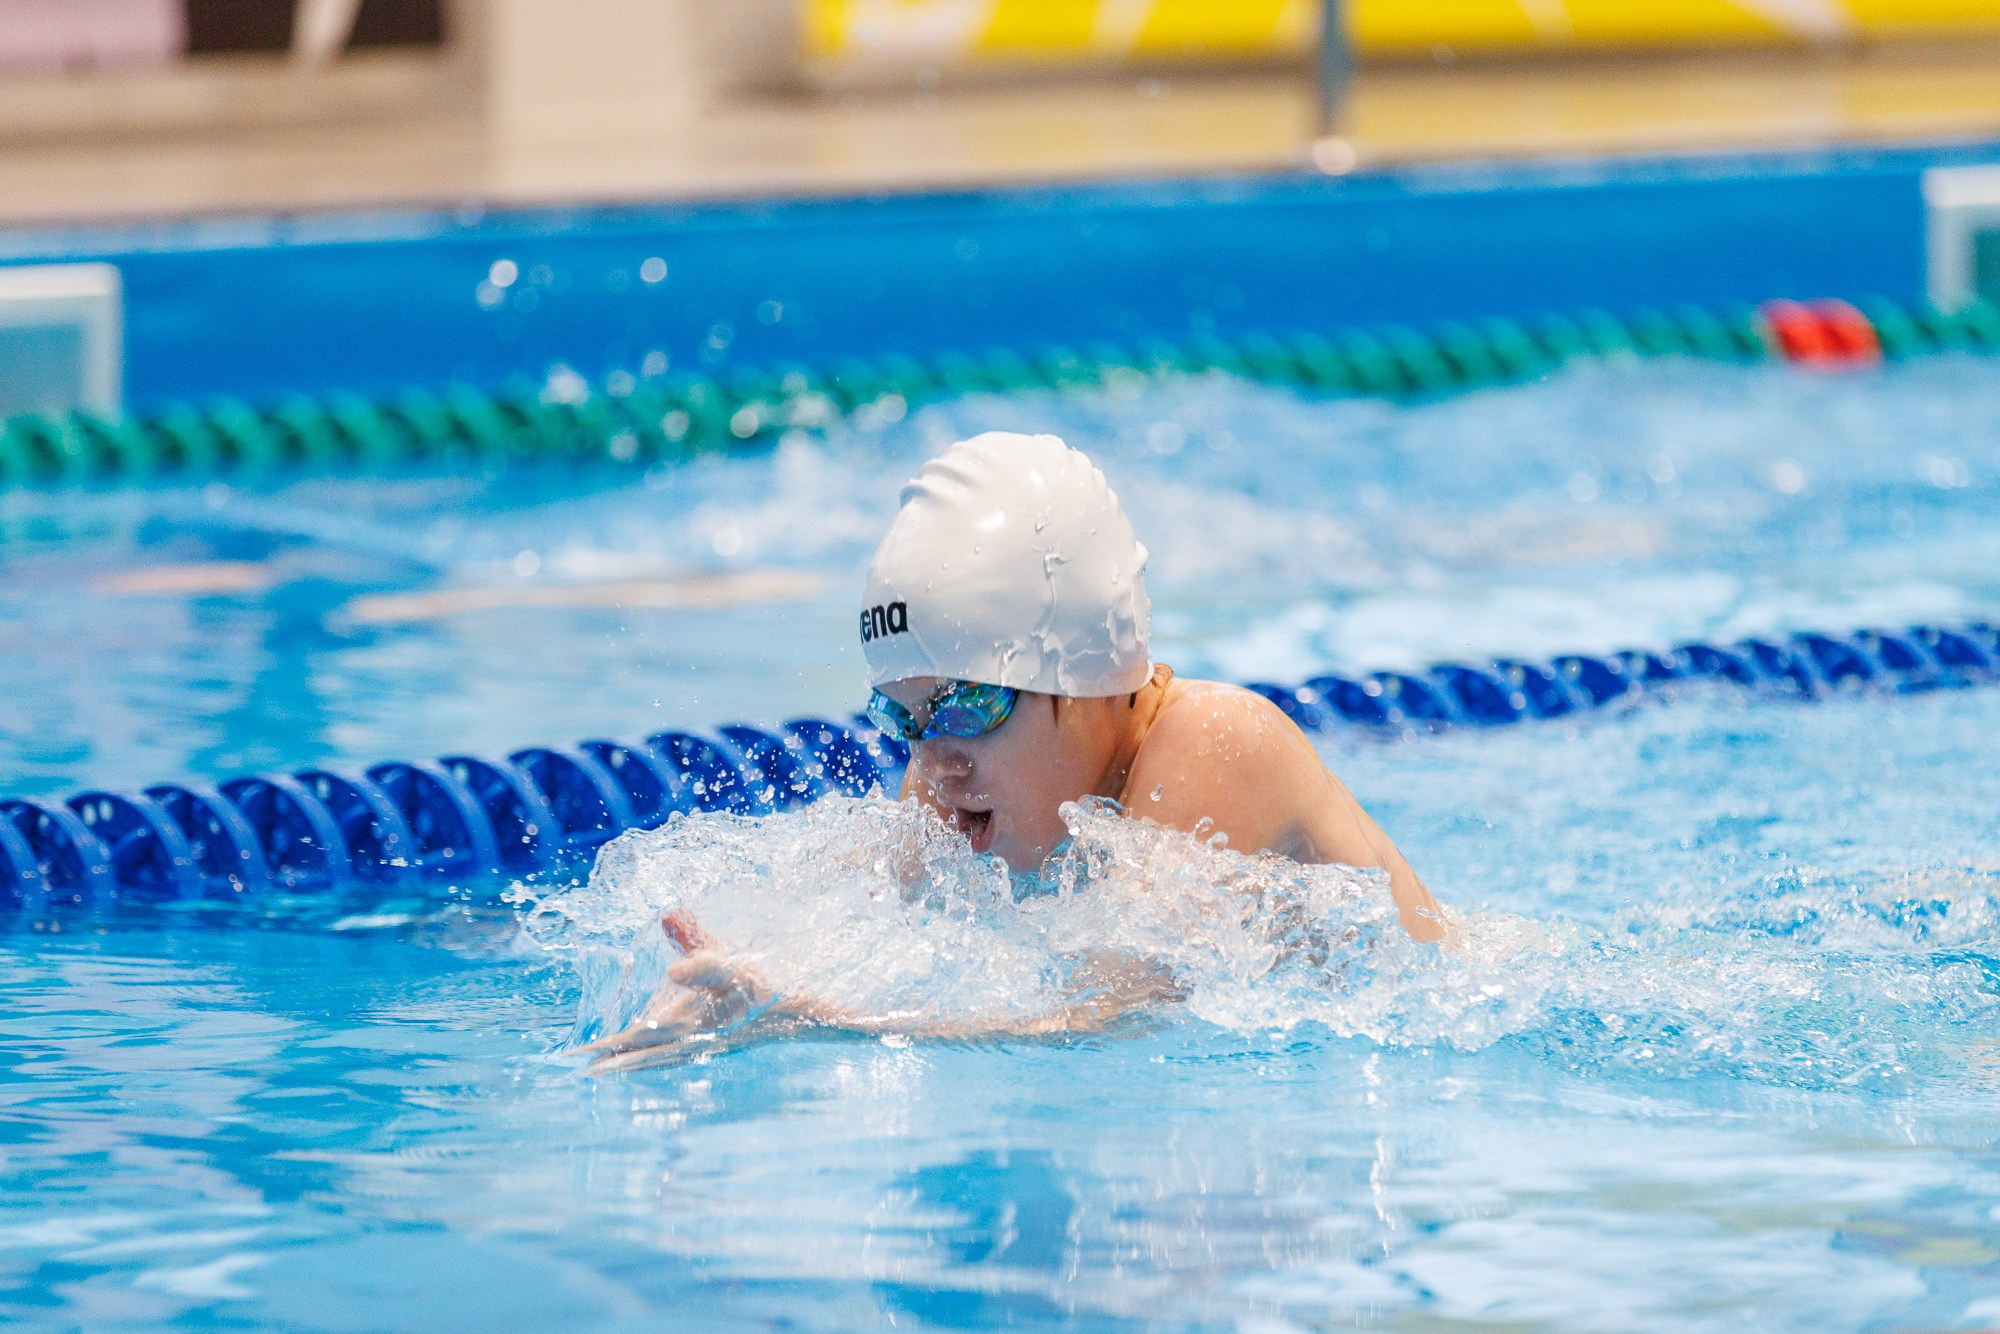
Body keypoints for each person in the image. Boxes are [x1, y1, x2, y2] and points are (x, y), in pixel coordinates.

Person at [582, 433, 1446, 1071]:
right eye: (904, 719)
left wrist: (808, 1015)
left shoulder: (1217, 744)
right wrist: (720, 977)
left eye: (971, 705)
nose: (936, 762)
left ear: (1091, 675)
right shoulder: (948, 772)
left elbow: (1104, 1020)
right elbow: (849, 914)